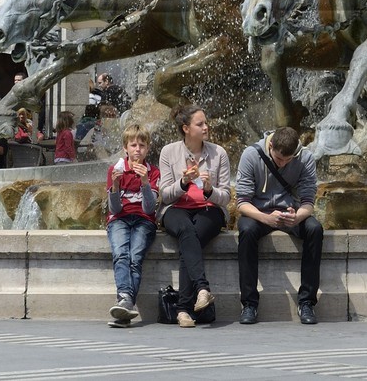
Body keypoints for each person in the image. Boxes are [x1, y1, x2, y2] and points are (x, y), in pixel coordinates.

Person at [234, 126, 323, 325]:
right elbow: (242, 203)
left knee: (315, 229)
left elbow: (309, 201)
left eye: (287, 160)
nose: (282, 164)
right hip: (258, 213)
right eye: (278, 159)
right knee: (246, 231)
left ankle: (307, 302)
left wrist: (298, 216)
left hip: (291, 212)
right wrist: (264, 218)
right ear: (271, 145)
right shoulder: (251, 155)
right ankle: (249, 303)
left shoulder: (305, 158)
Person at [157, 104, 231, 328]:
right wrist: (183, 183)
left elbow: (226, 196)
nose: (206, 127)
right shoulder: (169, 152)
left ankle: (183, 309)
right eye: (200, 124)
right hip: (176, 209)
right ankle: (201, 289)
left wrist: (209, 190)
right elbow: (165, 195)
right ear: (186, 128)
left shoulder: (219, 153)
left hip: (210, 209)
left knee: (190, 239)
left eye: (205, 122)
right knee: (188, 232)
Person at [104, 125, 159, 327]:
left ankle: (124, 302)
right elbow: (115, 209)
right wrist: (115, 186)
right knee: (121, 254)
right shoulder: (115, 170)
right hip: (119, 219)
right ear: (125, 148)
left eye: (142, 145)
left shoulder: (152, 172)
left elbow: (149, 208)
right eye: (133, 145)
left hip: (144, 220)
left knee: (135, 257)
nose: (138, 149)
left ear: (148, 148)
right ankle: (126, 302)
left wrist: (145, 181)